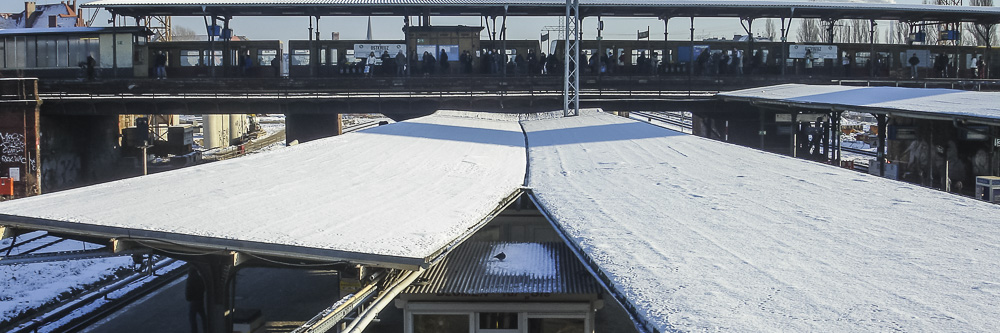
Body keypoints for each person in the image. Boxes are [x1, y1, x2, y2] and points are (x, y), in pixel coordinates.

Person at [186, 268, 207, 333]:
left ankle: (194, 331)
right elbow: (204, 287)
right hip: (200, 299)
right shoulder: (200, 278)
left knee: (192, 317)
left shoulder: (190, 279)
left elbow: (188, 290)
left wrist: (188, 298)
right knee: (203, 315)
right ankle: (206, 328)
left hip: (194, 301)